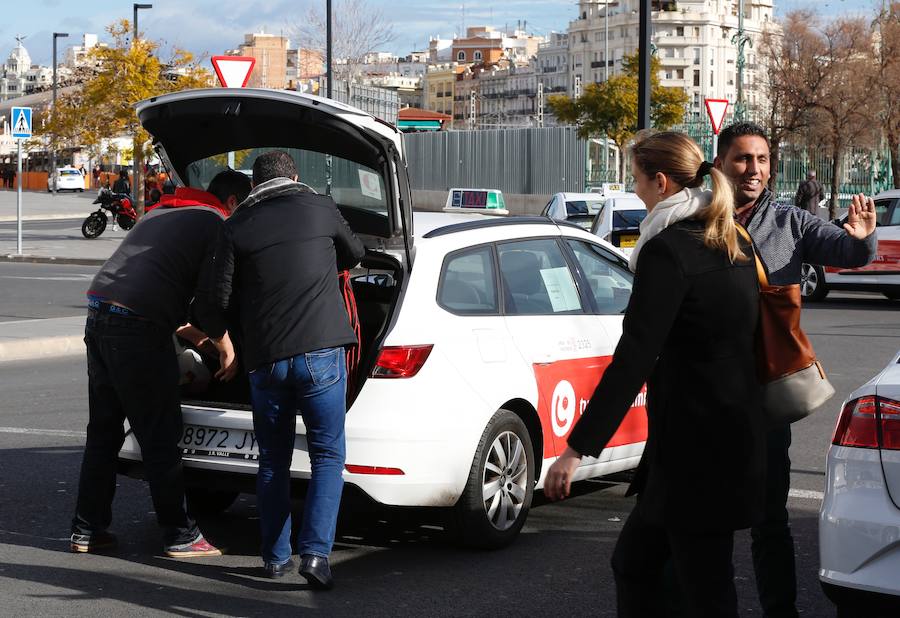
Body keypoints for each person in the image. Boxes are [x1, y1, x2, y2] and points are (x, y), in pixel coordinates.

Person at [545, 131, 764, 617]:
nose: (635, 191)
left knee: (702, 590)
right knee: (640, 566)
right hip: (723, 440)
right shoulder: (731, 238)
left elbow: (635, 358)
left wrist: (576, 450)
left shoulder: (669, 251)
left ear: (661, 183)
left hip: (695, 454)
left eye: (638, 180)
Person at [714, 122, 877, 618]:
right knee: (709, 523)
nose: (754, 170)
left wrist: (862, 241)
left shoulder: (791, 222)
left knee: (769, 521)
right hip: (711, 394)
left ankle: (779, 611)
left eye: (762, 160)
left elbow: (844, 249)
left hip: (768, 394)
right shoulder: (700, 221)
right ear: (720, 163)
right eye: (743, 159)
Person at [69, 169, 252, 558]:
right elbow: (205, 302)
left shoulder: (161, 213)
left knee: (103, 430)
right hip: (137, 329)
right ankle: (180, 535)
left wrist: (201, 339)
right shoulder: (216, 223)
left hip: (99, 315)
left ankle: (88, 529)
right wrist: (226, 345)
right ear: (234, 203)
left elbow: (158, 288)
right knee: (160, 433)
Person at [209, 150, 365, 587]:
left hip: (266, 360)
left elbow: (217, 301)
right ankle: (316, 556)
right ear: (295, 176)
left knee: (273, 461)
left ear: (253, 185)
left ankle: (275, 559)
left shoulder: (236, 224)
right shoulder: (321, 207)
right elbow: (353, 254)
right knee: (328, 455)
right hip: (321, 354)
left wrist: (225, 346)